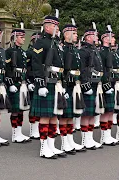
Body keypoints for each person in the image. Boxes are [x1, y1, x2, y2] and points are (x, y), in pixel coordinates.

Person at [30, 15, 68, 159]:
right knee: (45, 117)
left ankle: (51, 145)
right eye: (54, 26)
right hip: (45, 82)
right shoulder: (41, 43)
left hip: (55, 82)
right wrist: (40, 83)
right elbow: (36, 63)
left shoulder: (57, 44)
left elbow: (60, 67)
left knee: (54, 116)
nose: (57, 29)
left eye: (57, 26)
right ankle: (43, 147)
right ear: (47, 27)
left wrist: (62, 84)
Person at [59, 20, 86, 153]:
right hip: (66, 84)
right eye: (74, 33)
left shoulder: (75, 50)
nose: (76, 35)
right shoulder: (62, 50)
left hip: (75, 84)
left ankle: (70, 140)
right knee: (65, 116)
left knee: (71, 116)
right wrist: (63, 86)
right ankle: (64, 142)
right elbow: (61, 69)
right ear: (66, 34)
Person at [79, 26, 105, 149]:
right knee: (87, 113)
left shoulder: (95, 50)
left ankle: (90, 137)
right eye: (95, 36)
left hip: (95, 83)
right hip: (88, 84)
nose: (97, 38)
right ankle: (85, 139)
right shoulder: (84, 51)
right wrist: (85, 85)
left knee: (92, 113)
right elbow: (83, 69)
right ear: (89, 38)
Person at [5, 28, 32, 143]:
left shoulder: (23, 52)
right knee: (15, 110)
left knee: (21, 109)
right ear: (15, 38)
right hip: (14, 82)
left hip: (22, 82)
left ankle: (19, 132)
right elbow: (7, 69)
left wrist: (28, 82)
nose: (23, 39)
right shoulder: (9, 51)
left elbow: (25, 69)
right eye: (21, 37)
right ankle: (15, 134)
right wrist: (10, 83)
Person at [99, 27, 119, 145]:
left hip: (113, 82)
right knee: (106, 110)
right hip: (105, 84)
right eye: (112, 37)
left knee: (111, 110)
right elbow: (101, 70)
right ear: (105, 39)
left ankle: (108, 134)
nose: (114, 39)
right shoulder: (102, 52)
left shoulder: (112, 52)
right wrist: (105, 84)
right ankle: (104, 136)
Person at [26, 32, 42, 139]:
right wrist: (28, 82)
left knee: (40, 106)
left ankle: (38, 128)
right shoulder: (29, 52)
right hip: (32, 80)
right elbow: (26, 68)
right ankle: (33, 129)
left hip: (41, 80)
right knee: (33, 107)